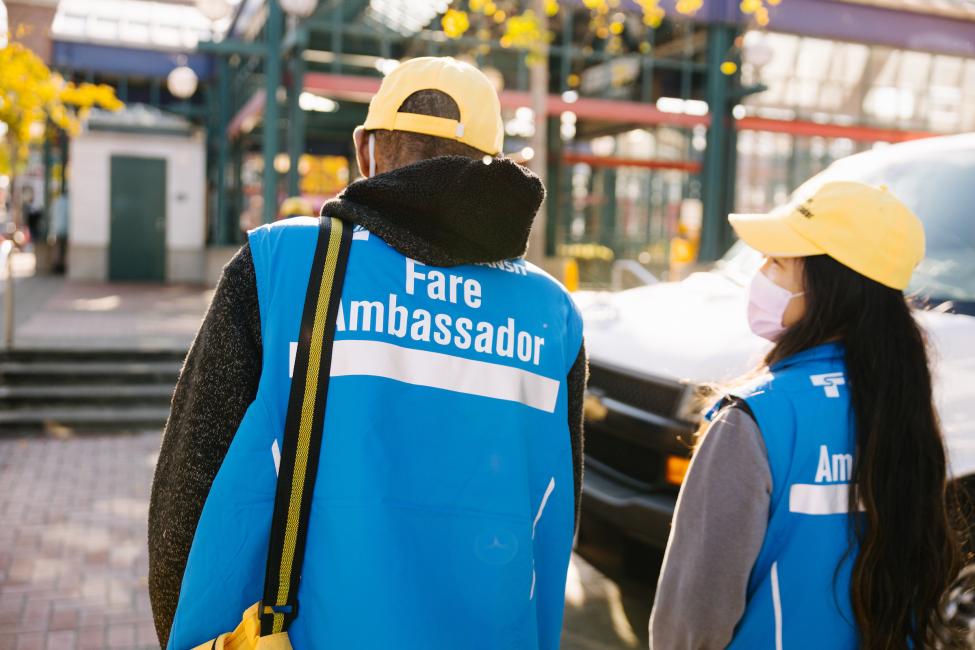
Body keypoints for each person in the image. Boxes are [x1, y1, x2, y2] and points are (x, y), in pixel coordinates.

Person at [149, 57, 587, 650]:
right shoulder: (552, 315)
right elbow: (556, 517)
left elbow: (188, 488)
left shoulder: (282, 266)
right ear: (498, 163)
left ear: (366, 151)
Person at [649, 181, 965, 648]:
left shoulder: (754, 419)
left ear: (830, 284)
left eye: (777, 261)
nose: (759, 272)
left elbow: (692, 619)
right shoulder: (905, 404)